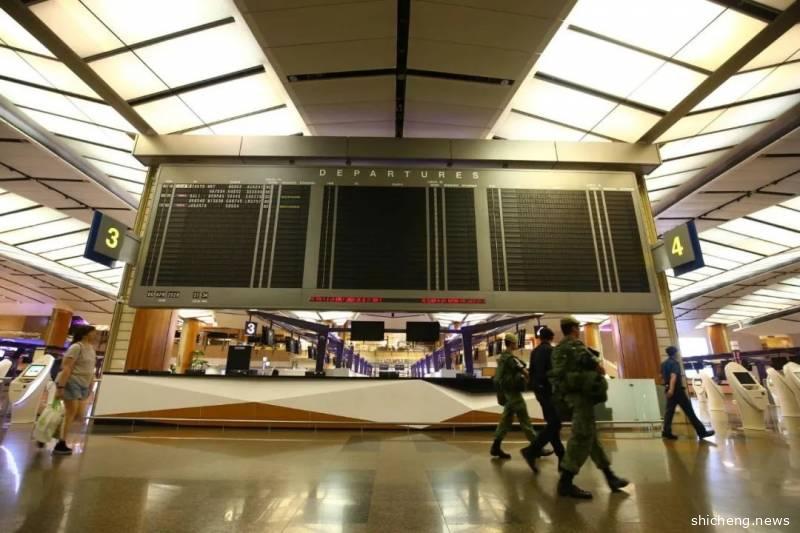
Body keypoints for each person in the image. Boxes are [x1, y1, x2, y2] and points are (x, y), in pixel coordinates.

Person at [550, 317, 628, 499]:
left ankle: (610, 477)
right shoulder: (575, 345)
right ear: (574, 329)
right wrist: (598, 369)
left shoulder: (558, 349)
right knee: (581, 436)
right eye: (577, 327)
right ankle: (565, 482)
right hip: (581, 397)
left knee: (591, 437)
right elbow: (595, 364)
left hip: (567, 396)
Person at [490, 333, 552, 471]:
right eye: (515, 343)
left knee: (506, 420)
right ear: (512, 343)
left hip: (507, 393)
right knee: (525, 420)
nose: (516, 345)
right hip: (514, 394)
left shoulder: (502, 358)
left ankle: (495, 446)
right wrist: (534, 381)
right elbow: (524, 371)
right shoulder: (510, 358)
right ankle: (536, 447)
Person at [52, 325, 98, 455]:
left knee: (79, 415)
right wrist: (61, 387)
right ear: (85, 334)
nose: (96, 335)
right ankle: (61, 443)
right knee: (71, 412)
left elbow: (91, 369)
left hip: (84, 385)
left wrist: (91, 384)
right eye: (93, 332)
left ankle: (52, 430)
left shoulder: (91, 349)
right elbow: (67, 367)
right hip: (72, 382)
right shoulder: (76, 347)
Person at [527, 326, 565, 465]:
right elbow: (555, 372)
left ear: (540, 338)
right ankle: (532, 450)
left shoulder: (534, 352)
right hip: (549, 391)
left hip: (539, 392)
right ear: (551, 338)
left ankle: (561, 456)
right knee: (555, 423)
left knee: (553, 423)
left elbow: (531, 372)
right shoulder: (551, 351)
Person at [661, 346, 715, 441]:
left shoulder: (664, 364)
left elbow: (663, 377)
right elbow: (673, 376)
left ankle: (666, 431)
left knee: (669, 412)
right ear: (675, 353)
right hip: (677, 391)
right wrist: (672, 389)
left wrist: (667, 389)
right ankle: (702, 432)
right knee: (689, 411)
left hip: (668, 389)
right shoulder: (674, 363)